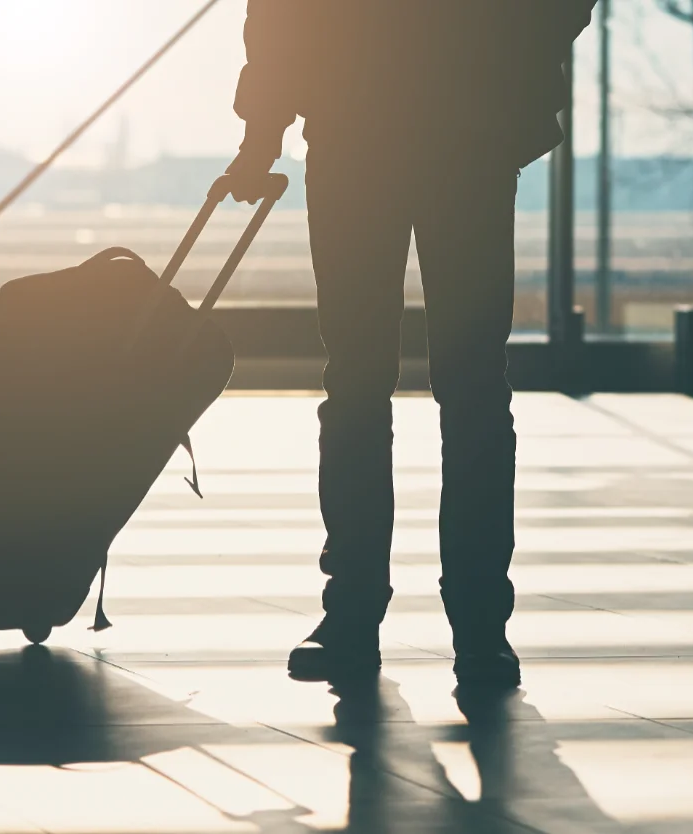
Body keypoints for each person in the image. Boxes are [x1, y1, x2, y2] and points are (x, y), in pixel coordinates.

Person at [226, 0, 597, 689]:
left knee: (361, 388)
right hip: (466, 128)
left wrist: (263, 132)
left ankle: (356, 614)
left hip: (365, 130)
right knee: (471, 390)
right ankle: (479, 626)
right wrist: (515, 58)